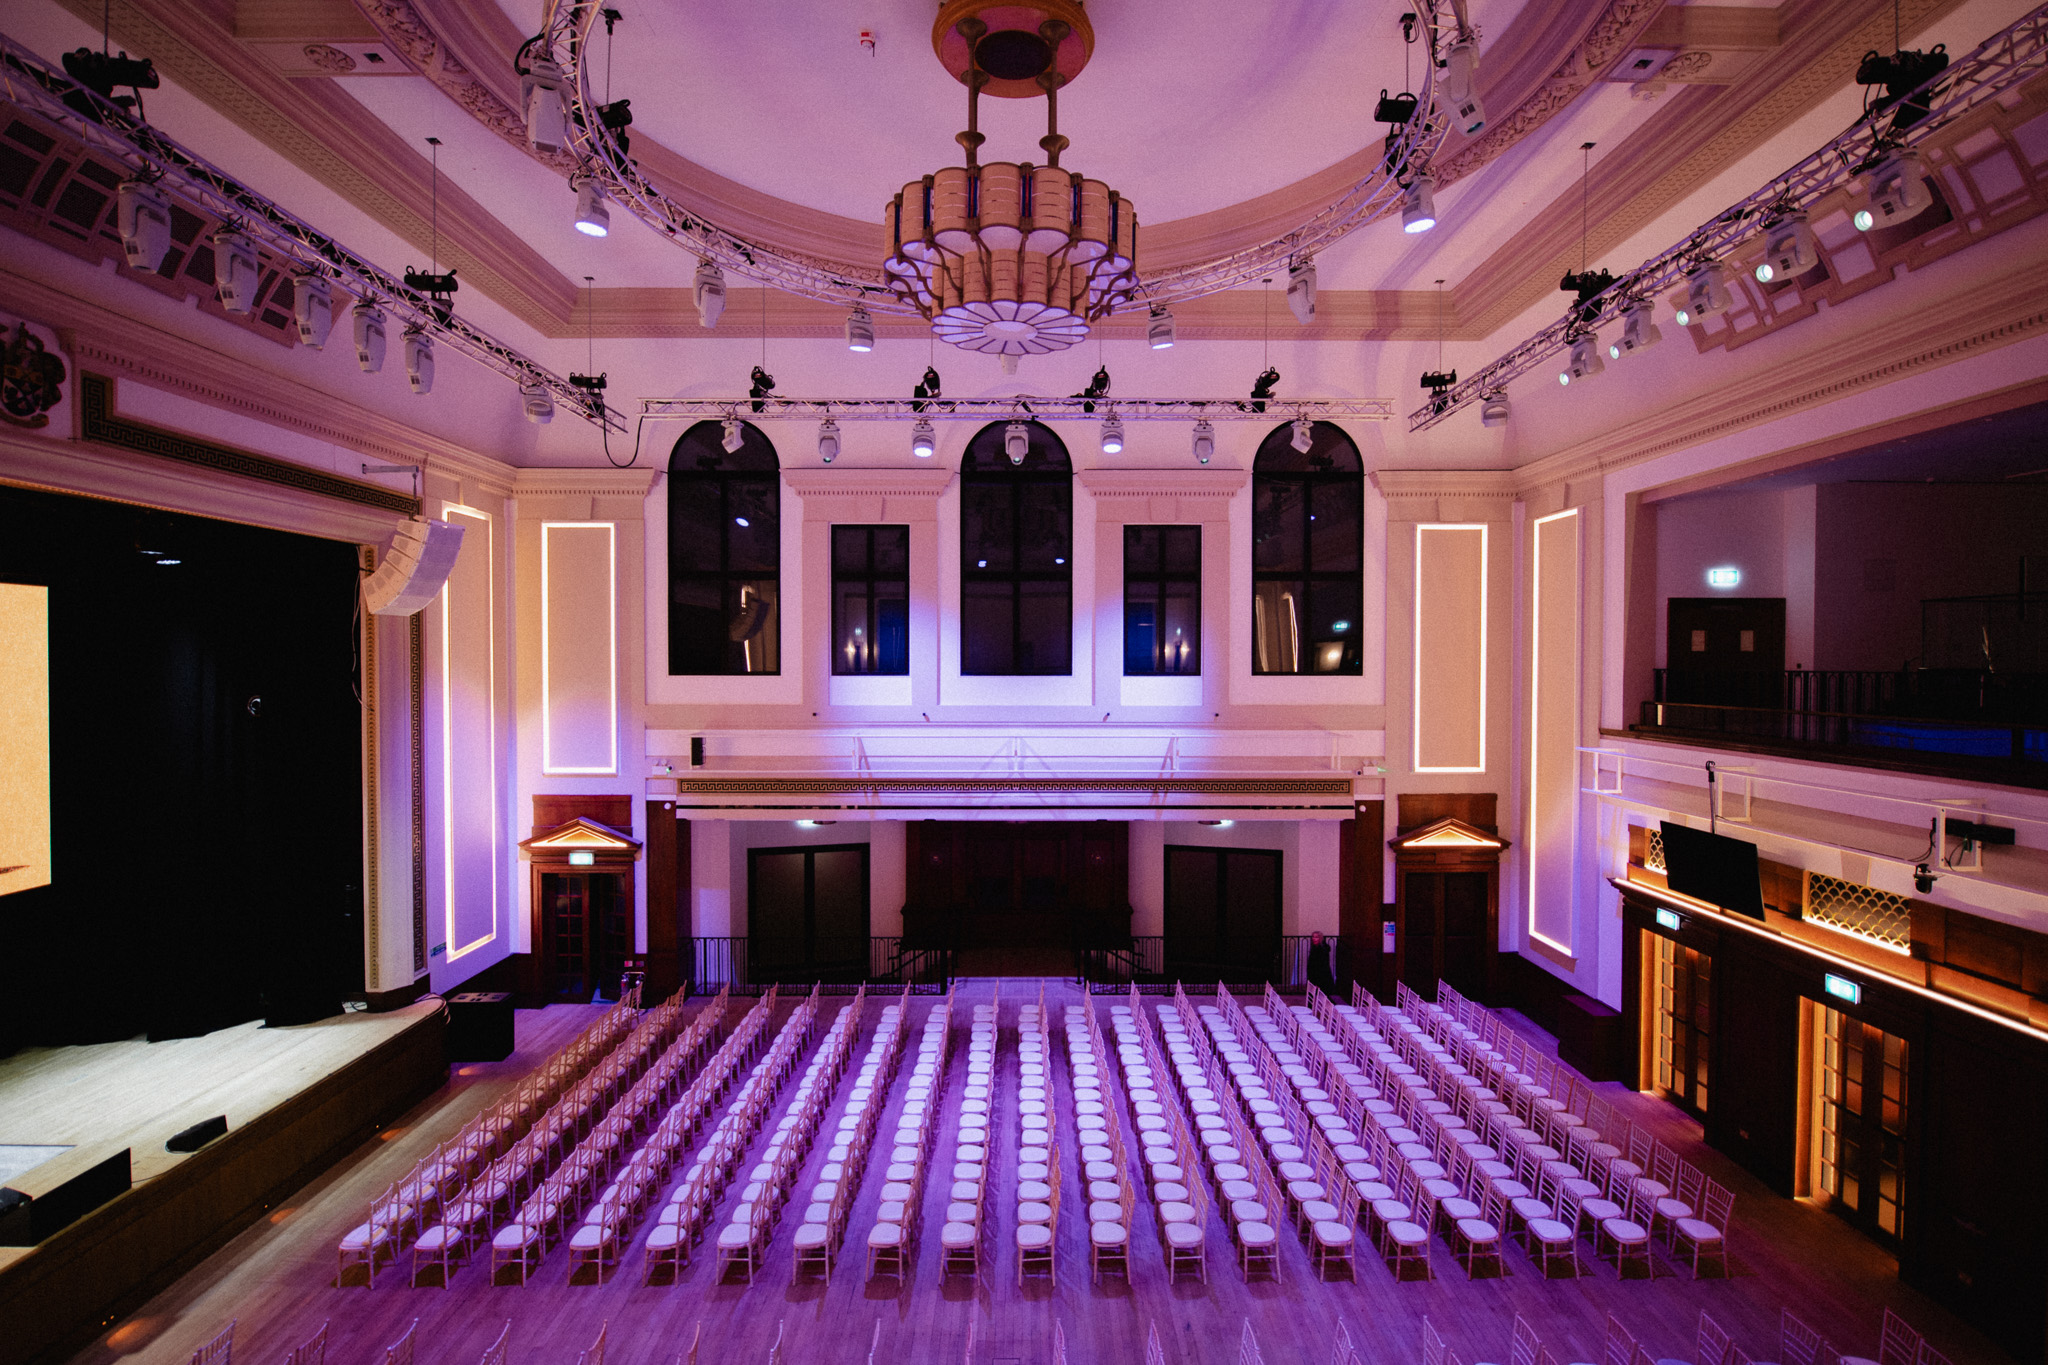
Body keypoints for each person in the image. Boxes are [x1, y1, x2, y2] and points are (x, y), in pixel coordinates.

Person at [1305, 930, 1337, 995]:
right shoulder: (1315, 948)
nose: (1314, 939)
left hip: (1320, 978)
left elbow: (1321, 966)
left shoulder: (1321, 949)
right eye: (1313, 937)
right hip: (1314, 976)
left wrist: (1317, 982)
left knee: (1321, 996)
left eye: (1316, 937)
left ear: (1320, 938)